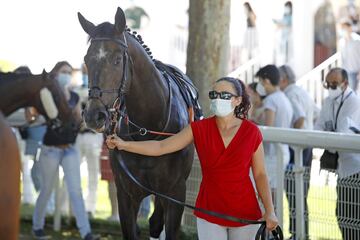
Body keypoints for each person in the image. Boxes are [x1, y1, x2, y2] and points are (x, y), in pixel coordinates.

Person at [106, 77, 278, 240]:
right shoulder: (199, 128)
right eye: (214, 95)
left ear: (238, 100)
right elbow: (161, 147)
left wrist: (270, 211)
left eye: (224, 95)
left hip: (246, 215)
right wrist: (124, 144)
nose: (218, 99)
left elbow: (261, 174)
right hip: (210, 212)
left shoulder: (252, 132)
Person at [32, 61, 98, 240]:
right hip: (50, 150)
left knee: (76, 191)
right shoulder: (47, 94)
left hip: (70, 149)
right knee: (46, 190)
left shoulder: (75, 97)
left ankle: (86, 232)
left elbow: (78, 120)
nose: (67, 75)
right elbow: (33, 115)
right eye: (64, 71)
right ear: (55, 73)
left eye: (69, 72)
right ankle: (37, 227)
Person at [314, 68, 360, 239]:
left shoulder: (354, 102)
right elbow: (318, 128)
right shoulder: (328, 101)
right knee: (342, 214)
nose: (330, 87)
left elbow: (342, 133)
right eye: (327, 84)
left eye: (334, 84)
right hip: (341, 167)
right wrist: (329, 136)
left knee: (352, 215)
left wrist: (328, 136)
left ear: (345, 84)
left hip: (356, 166)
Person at [279, 65, 316, 240]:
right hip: (306, 146)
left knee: (295, 193)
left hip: (297, 149)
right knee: (300, 193)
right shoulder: (302, 92)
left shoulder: (290, 94)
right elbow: (314, 114)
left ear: (283, 79)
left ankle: (298, 234)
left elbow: (300, 118)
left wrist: (292, 136)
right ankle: (300, 233)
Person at [255, 65, 293, 195]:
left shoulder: (271, 100)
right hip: (283, 152)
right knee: (274, 193)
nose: (260, 86)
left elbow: (268, 127)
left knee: (264, 192)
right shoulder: (284, 98)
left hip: (271, 154)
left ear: (266, 81)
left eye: (260, 82)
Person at [339, 18, 360, 92]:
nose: (343, 30)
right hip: (345, 72)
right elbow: (342, 57)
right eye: (342, 28)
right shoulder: (341, 42)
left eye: (345, 28)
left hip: (354, 71)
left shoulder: (357, 40)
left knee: (352, 94)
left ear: (350, 28)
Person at [273, 1, 293, 65]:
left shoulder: (291, 17)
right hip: (283, 38)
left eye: (287, 7)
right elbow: (281, 24)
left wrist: (282, 25)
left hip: (288, 38)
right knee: (282, 56)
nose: (286, 9)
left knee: (287, 57)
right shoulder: (284, 16)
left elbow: (289, 26)